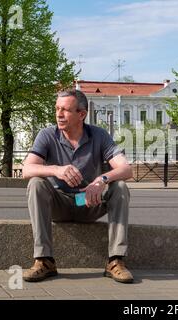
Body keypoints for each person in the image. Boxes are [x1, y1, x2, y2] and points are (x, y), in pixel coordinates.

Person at [22, 89, 134, 283]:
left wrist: (101, 180)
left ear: (81, 114)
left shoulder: (99, 135)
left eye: (65, 110)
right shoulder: (47, 135)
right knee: (36, 183)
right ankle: (44, 261)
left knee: (121, 187)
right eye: (57, 108)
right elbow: (27, 169)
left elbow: (126, 169)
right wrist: (56, 170)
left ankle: (116, 261)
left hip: (88, 201)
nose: (58, 114)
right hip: (61, 203)